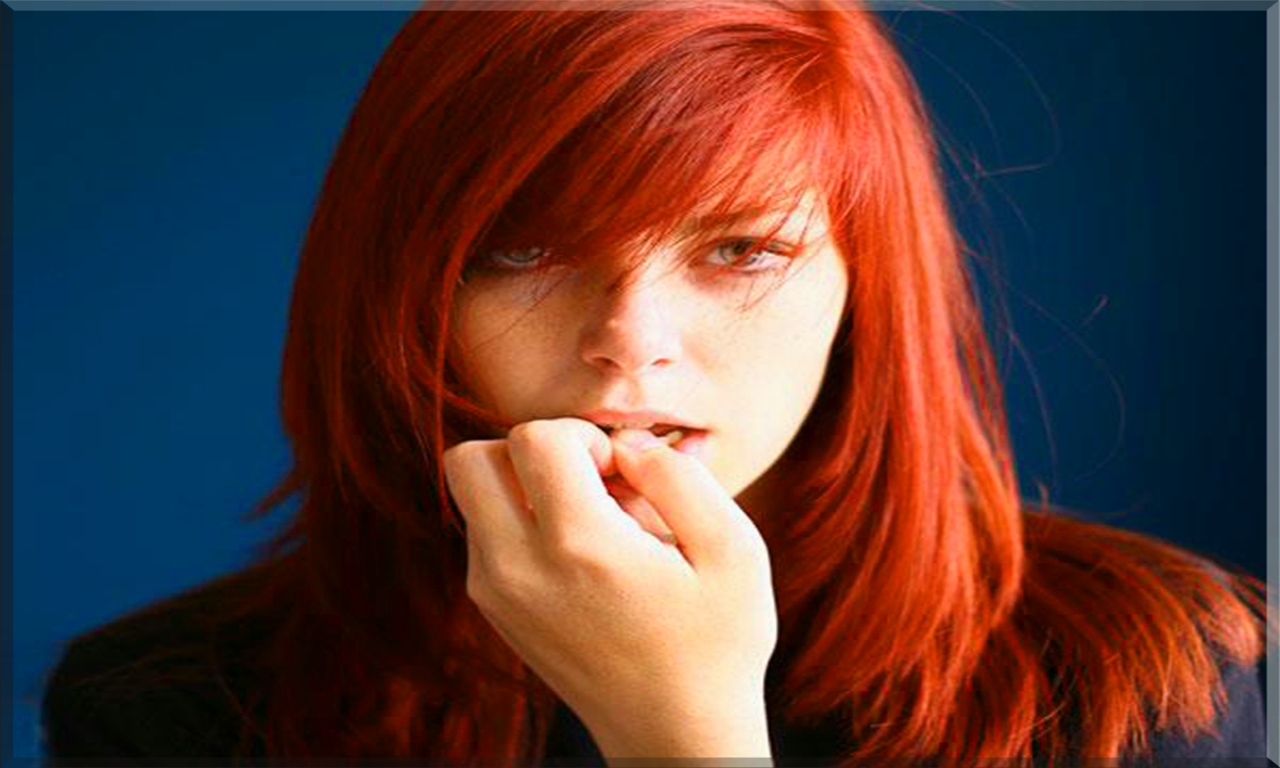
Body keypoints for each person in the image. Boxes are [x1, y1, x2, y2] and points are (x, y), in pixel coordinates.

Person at [42, 1, 1269, 766]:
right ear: (408, 290)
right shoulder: (170, 712)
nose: (629, 343)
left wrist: (682, 742)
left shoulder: (1141, 681)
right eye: (522, 251)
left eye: (739, 251)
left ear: (864, 291)